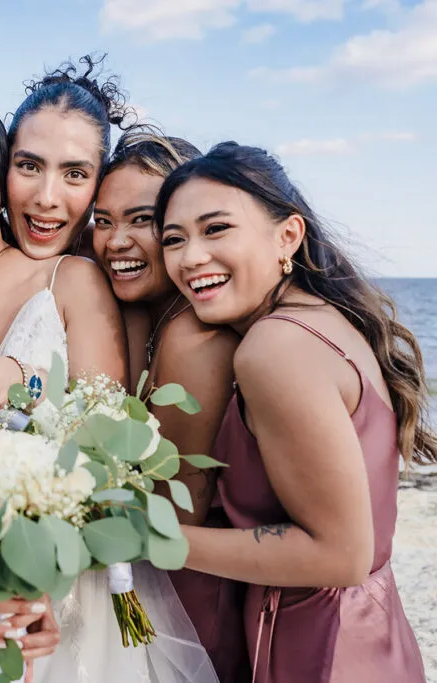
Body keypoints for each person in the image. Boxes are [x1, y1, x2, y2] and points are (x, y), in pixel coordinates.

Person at [0, 98, 215, 683]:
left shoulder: (72, 277)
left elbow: (108, 434)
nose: (45, 197)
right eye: (30, 167)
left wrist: (25, 380)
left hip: (67, 584)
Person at [156, 141, 431, 682]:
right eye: (174, 239)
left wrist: (152, 539)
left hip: (318, 648)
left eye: (216, 229)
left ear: (288, 235)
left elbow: (341, 554)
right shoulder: (328, 320)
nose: (190, 257)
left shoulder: (273, 349)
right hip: (370, 632)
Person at [92, 130, 249, 682]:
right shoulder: (146, 315)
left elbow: (173, 513)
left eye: (142, 220)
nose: (116, 241)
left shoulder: (193, 338)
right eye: (103, 220)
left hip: (185, 598)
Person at [6, 53, 129, 262]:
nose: (46, 199)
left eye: (75, 174)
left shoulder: (120, 267)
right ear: (3, 165)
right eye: (29, 166)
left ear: (100, 182)